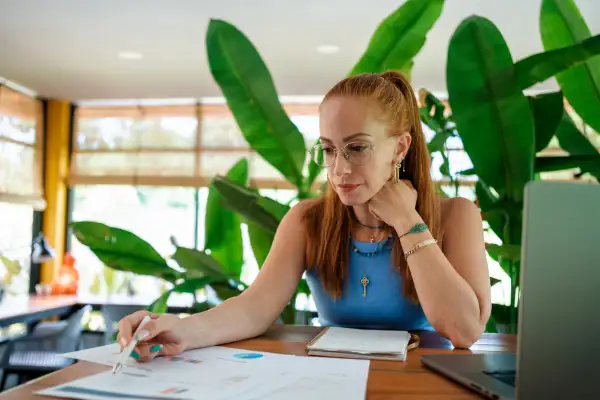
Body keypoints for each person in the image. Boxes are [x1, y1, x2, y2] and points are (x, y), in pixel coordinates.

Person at [117, 71, 491, 362]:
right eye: (329, 150)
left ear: (400, 147)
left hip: (421, 386)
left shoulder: (456, 215)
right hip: (331, 382)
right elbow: (254, 308)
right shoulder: (307, 221)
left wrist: (408, 222)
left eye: (357, 148)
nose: (339, 169)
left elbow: (464, 331)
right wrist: (181, 329)